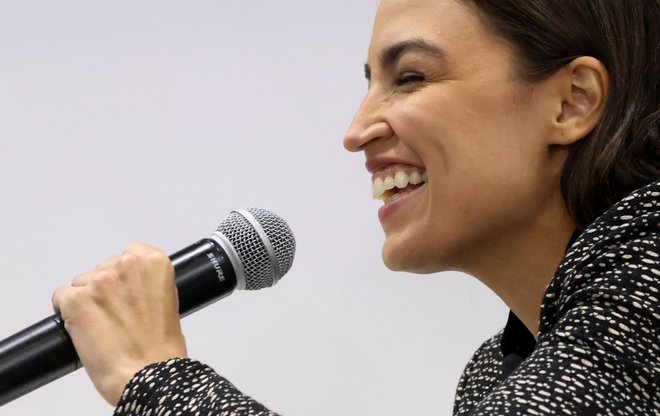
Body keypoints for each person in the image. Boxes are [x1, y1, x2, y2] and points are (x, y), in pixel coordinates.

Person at [52, 0, 659, 415]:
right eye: (369, 81)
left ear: (572, 102)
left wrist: (154, 378)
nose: (357, 129)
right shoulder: (501, 373)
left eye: (411, 77)